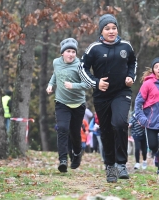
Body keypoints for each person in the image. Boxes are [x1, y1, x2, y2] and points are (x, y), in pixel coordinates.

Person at [78, 14, 137, 183]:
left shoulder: (126, 46)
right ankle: (110, 166)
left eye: (114, 28)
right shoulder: (94, 48)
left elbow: (133, 62)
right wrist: (96, 83)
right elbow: (82, 69)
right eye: (107, 28)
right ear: (101, 30)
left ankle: (121, 164)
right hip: (102, 95)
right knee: (106, 131)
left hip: (121, 92)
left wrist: (131, 77)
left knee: (119, 124)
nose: (111, 31)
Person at [46, 38, 89, 173]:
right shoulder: (56, 63)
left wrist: (73, 86)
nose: (71, 54)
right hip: (62, 102)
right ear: (62, 53)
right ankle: (63, 160)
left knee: (75, 132)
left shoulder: (80, 65)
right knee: (62, 128)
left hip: (78, 104)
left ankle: (77, 153)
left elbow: (87, 84)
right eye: (68, 51)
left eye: (73, 52)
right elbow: (55, 74)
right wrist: (50, 84)